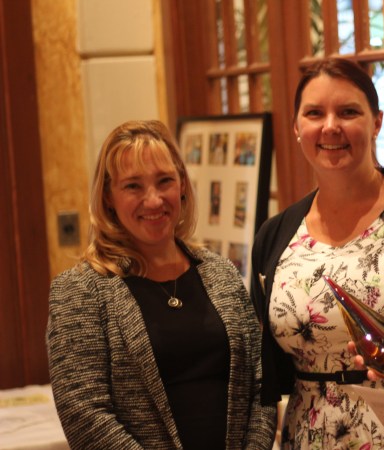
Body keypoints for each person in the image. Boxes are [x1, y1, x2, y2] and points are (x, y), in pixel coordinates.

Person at [250, 58, 384, 449]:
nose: (331, 126)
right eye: (314, 113)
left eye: (348, 112)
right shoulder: (275, 235)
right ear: (297, 127)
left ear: (377, 121)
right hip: (308, 436)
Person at [46, 120, 276, 449]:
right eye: (133, 186)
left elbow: (260, 384)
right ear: (109, 196)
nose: (153, 200)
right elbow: (84, 414)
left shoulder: (221, 273)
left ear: (182, 184)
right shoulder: (80, 291)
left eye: (164, 181)